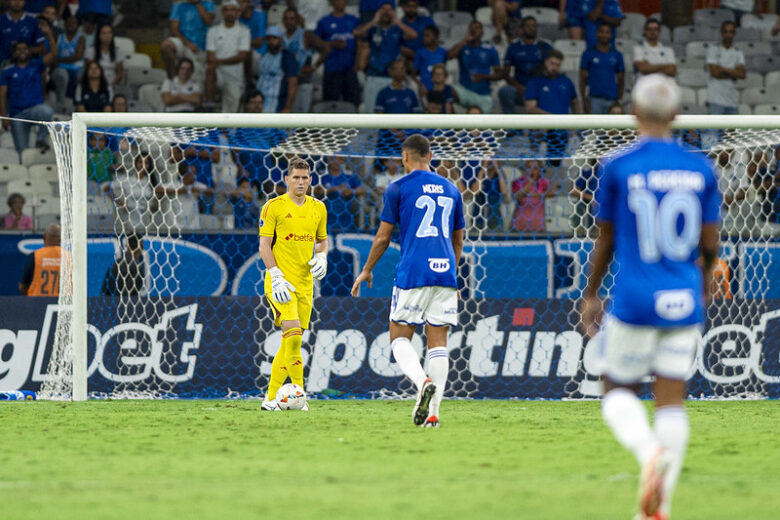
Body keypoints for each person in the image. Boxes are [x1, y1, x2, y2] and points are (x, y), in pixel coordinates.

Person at [579, 74, 721, 520]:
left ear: (634, 114)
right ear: (677, 116)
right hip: (684, 296)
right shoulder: (701, 168)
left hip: (637, 299)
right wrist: (706, 279)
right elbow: (710, 241)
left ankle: (647, 453)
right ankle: (660, 509)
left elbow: (604, 237)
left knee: (615, 388)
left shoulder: (619, 165)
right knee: (671, 400)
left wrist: (591, 293)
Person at [351, 134, 465, 428]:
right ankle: (434, 414)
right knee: (438, 342)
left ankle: (421, 381)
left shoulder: (398, 188)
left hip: (413, 271)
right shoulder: (453, 190)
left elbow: (383, 237)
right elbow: (458, 240)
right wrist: (452, 273)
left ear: (404, 158)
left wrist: (367, 269)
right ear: (431, 155)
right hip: (445, 272)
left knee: (399, 337)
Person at [259, 158, 328, 412]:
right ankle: (292, 396)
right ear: (286, 179)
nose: (300, 182)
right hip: (280, 283)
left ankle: (278, 398)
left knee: (291, 342)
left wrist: (322, 256)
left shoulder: (318, 208)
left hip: (305, 284)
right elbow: (264, 246)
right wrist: (275, 274)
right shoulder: (273, 207)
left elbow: (322, 240)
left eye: (304, 178)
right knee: (294, 337)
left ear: (310, 180)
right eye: (296, 177)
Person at [353, 2, 417, 113]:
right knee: (371, 114)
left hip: (393, 79)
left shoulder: (397, 29)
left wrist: (397, 21)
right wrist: (374, 20)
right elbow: (356, 33)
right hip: (374, 76)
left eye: (389, 10)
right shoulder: (373, 29)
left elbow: (414, 35)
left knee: (391, 114)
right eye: (383, 10)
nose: (386, 13)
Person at [0, 41, 56, 156]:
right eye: (18, 49)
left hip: (35, 109)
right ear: (14, 54)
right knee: (22, 152)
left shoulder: (36, 64)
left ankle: (41, 139)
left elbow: (54, 54)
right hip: (17, 115)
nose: (22, 51)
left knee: (47, 111)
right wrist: (4, 116)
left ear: (29, 51)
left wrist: (49, 33)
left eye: (25, 48)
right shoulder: (7, 70)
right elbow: (2, 94)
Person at [499, 16, 552, 114]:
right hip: (519, 89)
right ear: (522, 29)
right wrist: (519, 87)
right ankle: (510, 127)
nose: (531, 28)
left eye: (534, 26)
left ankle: (549, 126)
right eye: (528, 26)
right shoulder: (513, 47)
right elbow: (505, 74)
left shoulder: (545, 47)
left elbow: (551, 70)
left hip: (539, 89)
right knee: (505, 91)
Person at [281, 7, 331, 113]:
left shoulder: (305, 35)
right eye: (287, 18)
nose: (289, 21)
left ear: (297, 20)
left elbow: (326, 48)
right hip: (285, 82)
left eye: (292, 18)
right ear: (283, 21)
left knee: (299, 119)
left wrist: (313, 67)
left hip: (302, 81)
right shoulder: (281, 37)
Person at [204, 0, 251, 113]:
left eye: (232, 10)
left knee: (231, 116)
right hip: (218, 74)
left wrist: (219, 61)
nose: (229, 13)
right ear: (222, 12)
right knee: (210, 68)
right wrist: (217, 62)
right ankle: (209, 105)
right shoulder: (213, 31)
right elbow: (210, 57)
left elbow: (242, 56)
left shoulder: (244, 31)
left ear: (238, 12)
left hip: (235, 76)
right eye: (226, 10)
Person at [447, 20, 501, 114]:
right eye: (471, 28)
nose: (474, 30)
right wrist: (465, 40)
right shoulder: (463, 47)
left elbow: (500, 74)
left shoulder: (490, 50)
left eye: (477, 28)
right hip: (464, 91)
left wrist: (484, 77)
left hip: (483, 95)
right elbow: (449, 56)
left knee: (476, 122)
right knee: (446, 91)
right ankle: (452, 126)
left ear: (482, 32)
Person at [315, 0, 360, 107]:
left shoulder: (354, 20)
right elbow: (316, 44)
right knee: (331, 105)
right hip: (332, 69)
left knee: (353, 104)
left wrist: (357, 64)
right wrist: (332, 43)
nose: (341, 2)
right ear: (332, 2)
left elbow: (360, 43)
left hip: (350, 69)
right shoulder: (324, 21)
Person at [161, 0, 215, 79]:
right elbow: (174, 28)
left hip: (201, 46)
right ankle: (173, 78)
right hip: (184, 43)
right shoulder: (178, 4)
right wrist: (188, 43)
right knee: (166, 46)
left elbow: (209, 21)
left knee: (196, 80)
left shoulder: (208, 2)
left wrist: (198, 4)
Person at [579, 23, 624, 114]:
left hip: (612, 100)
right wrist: (584, 100)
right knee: (596, 128)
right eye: (601, 32)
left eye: (607, 32)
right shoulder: (588, 54)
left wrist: (619, 100)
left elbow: (621, 80)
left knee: (612, 128)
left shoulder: (617, 55)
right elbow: (582, 79)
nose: (604, 35)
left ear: (611, 35)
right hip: (595, 99)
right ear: (597, 33)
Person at [706, 21, 745, 116]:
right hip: (715, 100)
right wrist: (734, 73)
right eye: (726, 31)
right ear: (722, 33)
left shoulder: (738, 52)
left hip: (732, 100)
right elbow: (714, 72)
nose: (728, 34)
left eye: (731, 32)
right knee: (713, 131)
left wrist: (723, 69)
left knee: (732, 131)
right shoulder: (713, 49)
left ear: (734, 33)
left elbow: (742, 74)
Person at [256, 25, 299, 113]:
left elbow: (293, 83)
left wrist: (287, 108)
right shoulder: (264, 55)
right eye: (268, 38)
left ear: (281, 39)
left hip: (277, 103)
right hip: (260, 103)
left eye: (274, 38)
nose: (271, 41)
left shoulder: (287, 57)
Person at [319, 156, 367, 231]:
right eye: (333, 158)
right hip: (326, 219)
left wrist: (351, 191)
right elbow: (316, 191)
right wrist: (334, 189)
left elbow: (362, 191)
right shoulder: (321, 175)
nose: (336, 162)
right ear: (328, 160)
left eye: (340, 159)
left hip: (345, 220)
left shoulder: (348, 176)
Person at [525, 49, 578, 115]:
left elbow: (575, 102)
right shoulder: (535, 82)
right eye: (552, 63)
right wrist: (551, 117)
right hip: (543, 123)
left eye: (558, 65)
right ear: (546, 62)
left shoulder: (567, 82)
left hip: (564, 123)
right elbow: (530, 108)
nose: (554, 68)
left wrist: (577, 120)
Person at [52, 14, 85, 108]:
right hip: (62, 69)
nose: (70, 24)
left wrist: (60, 60)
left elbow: (77, 56)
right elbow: (53, 55)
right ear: (65, 24)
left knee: (81, 75)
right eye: (68, 22)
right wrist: (66, 60)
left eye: (73, 23)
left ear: (78, 25)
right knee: (61, 74)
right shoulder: (59, 37)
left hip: (77, 68)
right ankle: (61, 104)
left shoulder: (81, 38)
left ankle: (77, 103)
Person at [20, 223, 61, 296]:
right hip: (61, 304)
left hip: (36, 303)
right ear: (60, 239)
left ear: (45, 237)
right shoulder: (68, 257)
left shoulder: (35, 256)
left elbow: (23, 286)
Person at [511, 159, 552, 232]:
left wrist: (533, 195)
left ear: (540, 170)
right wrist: (530, 183)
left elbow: (553, 193)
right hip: (519, 225)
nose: (532, 170)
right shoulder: (517, 182)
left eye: (535, 168)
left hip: (538, 225)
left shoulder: (544, 182)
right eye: (529, 168)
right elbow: (516, 197)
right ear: (525, 169)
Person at [411, 25, 447, 98]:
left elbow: (444, 71)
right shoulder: (420, 52)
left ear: (435, 37)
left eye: (427, 36)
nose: (424, 38)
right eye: (423, 35)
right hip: (425, 90)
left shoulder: (443, 52)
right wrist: (421, 86)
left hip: (439, 89)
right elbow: (413, 75)